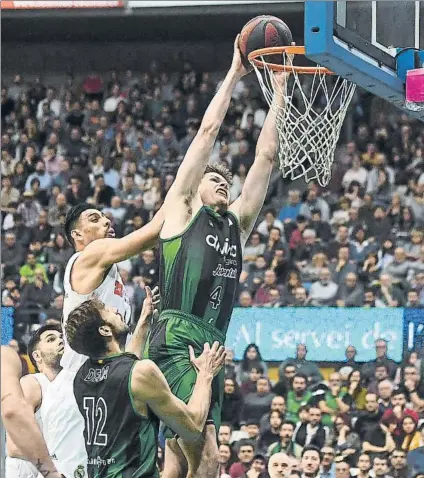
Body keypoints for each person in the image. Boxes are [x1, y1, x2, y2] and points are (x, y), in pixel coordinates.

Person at [144, 37, 289, 478]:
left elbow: (265, 157)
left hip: (212, 342)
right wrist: (234, 73)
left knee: (177, 459)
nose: (221, 182)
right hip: (176, 336)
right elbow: (207, 134)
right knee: (207, 450)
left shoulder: (238, 225)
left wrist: (280, 94)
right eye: (213, 179)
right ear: (195, 189)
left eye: (224, 180)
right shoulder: (180, 210)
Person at [65, 294, 226, 478]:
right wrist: (205, 375)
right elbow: (192, 428)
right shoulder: (141, 372)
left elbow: (124, 371)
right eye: (108, 311)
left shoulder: (81, 377)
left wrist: (144, 321)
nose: (116, 311)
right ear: (105, 330)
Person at [62, 202, 163, 372]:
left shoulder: (107, 271)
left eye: (105, 217)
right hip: (82, 376)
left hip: (107, 373)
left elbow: (125, 350)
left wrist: (145, 319)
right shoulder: (89, 255)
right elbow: (154, 232)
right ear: (77, 234)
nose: (107, 221)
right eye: (95, 219)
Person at [5, 324, 67, 478]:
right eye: (51, 339)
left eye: (61, 338)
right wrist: (55, 463)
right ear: (37, 356)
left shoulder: (68, 386)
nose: (60, 341)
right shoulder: (32, 383)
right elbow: (13, 446)